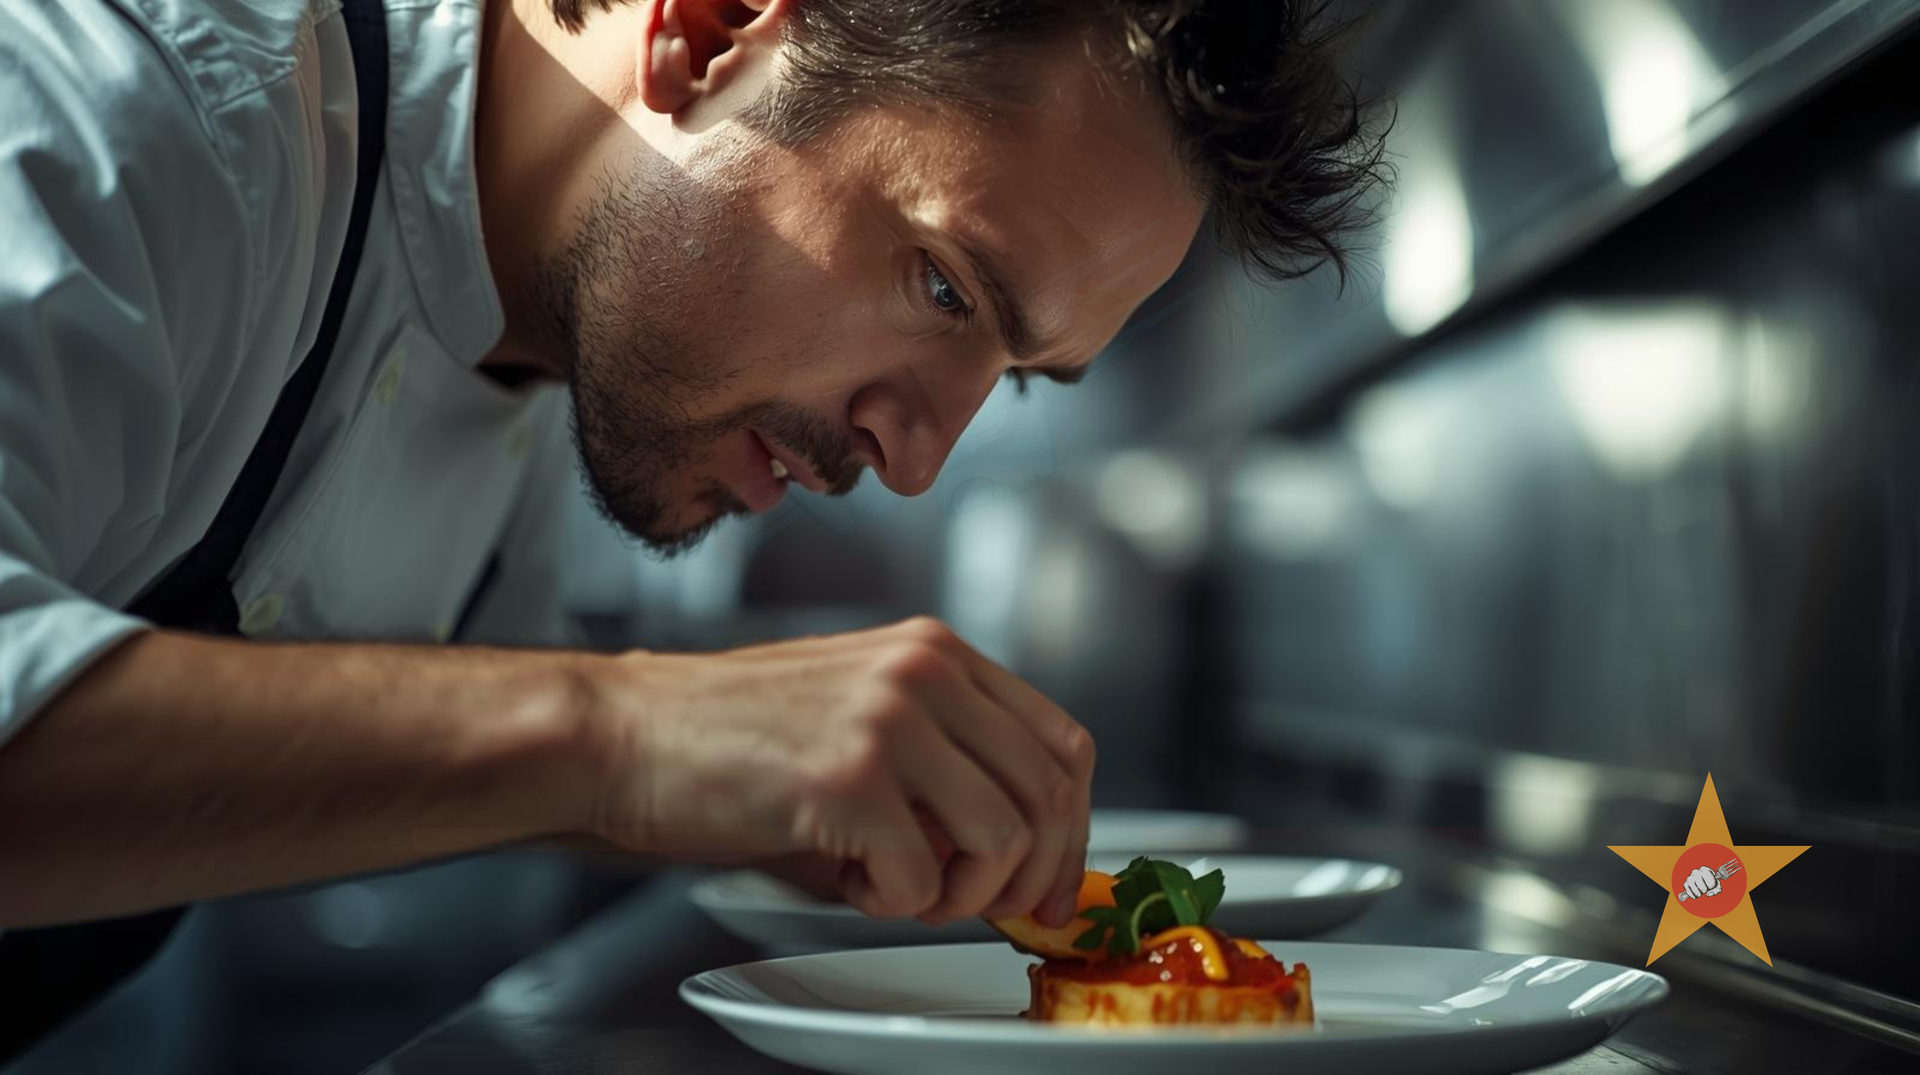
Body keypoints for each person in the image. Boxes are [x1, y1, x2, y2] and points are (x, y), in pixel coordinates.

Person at [0, 0, 1386, 1049]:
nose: (914, 462)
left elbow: (423, 687)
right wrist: (632, 733)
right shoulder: (133, 101)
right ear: (710, 36)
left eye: (1014, 377)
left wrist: (795, 776)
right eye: (950, 291)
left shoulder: (554, 329)